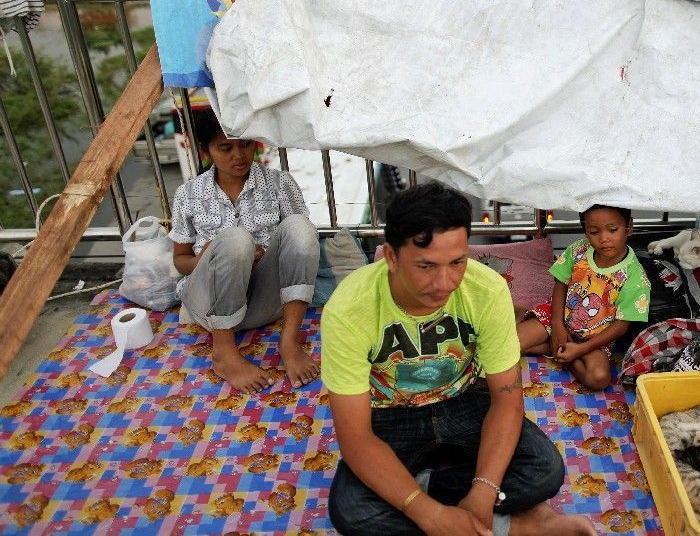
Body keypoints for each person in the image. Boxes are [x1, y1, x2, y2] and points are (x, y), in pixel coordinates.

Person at [322, 183, 596, 536]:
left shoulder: (487, 290)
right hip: (389, 415)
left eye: (457, 262)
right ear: (390, 257)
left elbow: (506, 400)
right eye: (426, 266)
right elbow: (356, 437)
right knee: (350, 512)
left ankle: (422, 491)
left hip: (465, 401)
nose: (444, 282)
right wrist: (429, 515)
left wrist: (483, 492)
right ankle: (515, 525)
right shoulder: (349, 309)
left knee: (544, 470)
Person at [169, 110, 320, 393]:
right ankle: (224, 353)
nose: (238, 156)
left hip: (264, 303)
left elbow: (299, 245)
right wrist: (205, 259)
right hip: (209, 307)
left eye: (245, 144)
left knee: (300, 226)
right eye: (225, 148)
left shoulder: (279, 183)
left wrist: (261, 253)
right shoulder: (188, 194)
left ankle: (289, 342)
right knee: (237, 240)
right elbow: (180, 260)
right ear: (207, 151)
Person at [517, 205, 650, 391]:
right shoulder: (578, 250)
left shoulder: (636, 278)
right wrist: (557, 325)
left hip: (595, 339)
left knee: (599, 378)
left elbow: (621, 326)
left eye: (613, 230)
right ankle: (558, 346)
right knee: (510, 342)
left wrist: (580, 350)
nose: (604, 239)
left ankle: (560, 352)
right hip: (556, 318)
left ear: (629, 227)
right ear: (585, 230)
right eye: (594, 231)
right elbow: (560, 285)